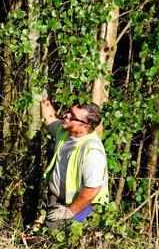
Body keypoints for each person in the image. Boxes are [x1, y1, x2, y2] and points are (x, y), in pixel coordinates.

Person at [39, 97, 109, 228]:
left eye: (73, 116)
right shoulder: (64, 131)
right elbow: (49, 119)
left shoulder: (92, 151)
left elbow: (92, 190)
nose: (67, 115)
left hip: (84, 206)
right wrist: (42, 95)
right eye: (69, 111)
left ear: (85, 126)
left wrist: (69, 212)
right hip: (60, 200)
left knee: (60, 236)